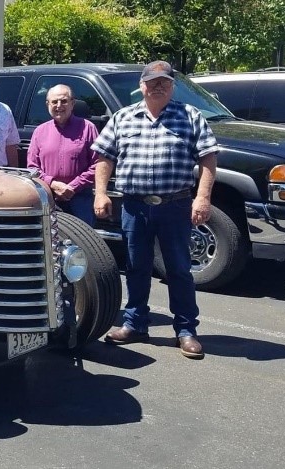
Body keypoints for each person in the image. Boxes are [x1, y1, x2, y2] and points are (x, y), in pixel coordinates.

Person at [91, 60, 218, 359]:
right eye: (152, 82)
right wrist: (99, 193)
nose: (158, 87)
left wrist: (202, 198)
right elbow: (105, 158)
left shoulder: (190, 116)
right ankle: (135, 324)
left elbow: (208, 158)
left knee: (179, 269)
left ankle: (186, 330)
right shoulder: (123, 117)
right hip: (135, 207)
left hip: (175, 205)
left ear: (173, 86)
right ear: (142, 86)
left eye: (165, 82)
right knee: (136, 267)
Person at [26, 84, 99, 226]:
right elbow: (32, 167)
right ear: (48, 104)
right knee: (49, 242)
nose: (59, 105)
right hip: (48, 197)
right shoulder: (40, 131)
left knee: (82, 242)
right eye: (54, 102)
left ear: (72, 103)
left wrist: (73, 186)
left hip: (80, 198)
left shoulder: (88, 128)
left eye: (64, 101)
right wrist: (53, 184)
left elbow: (97, 164)